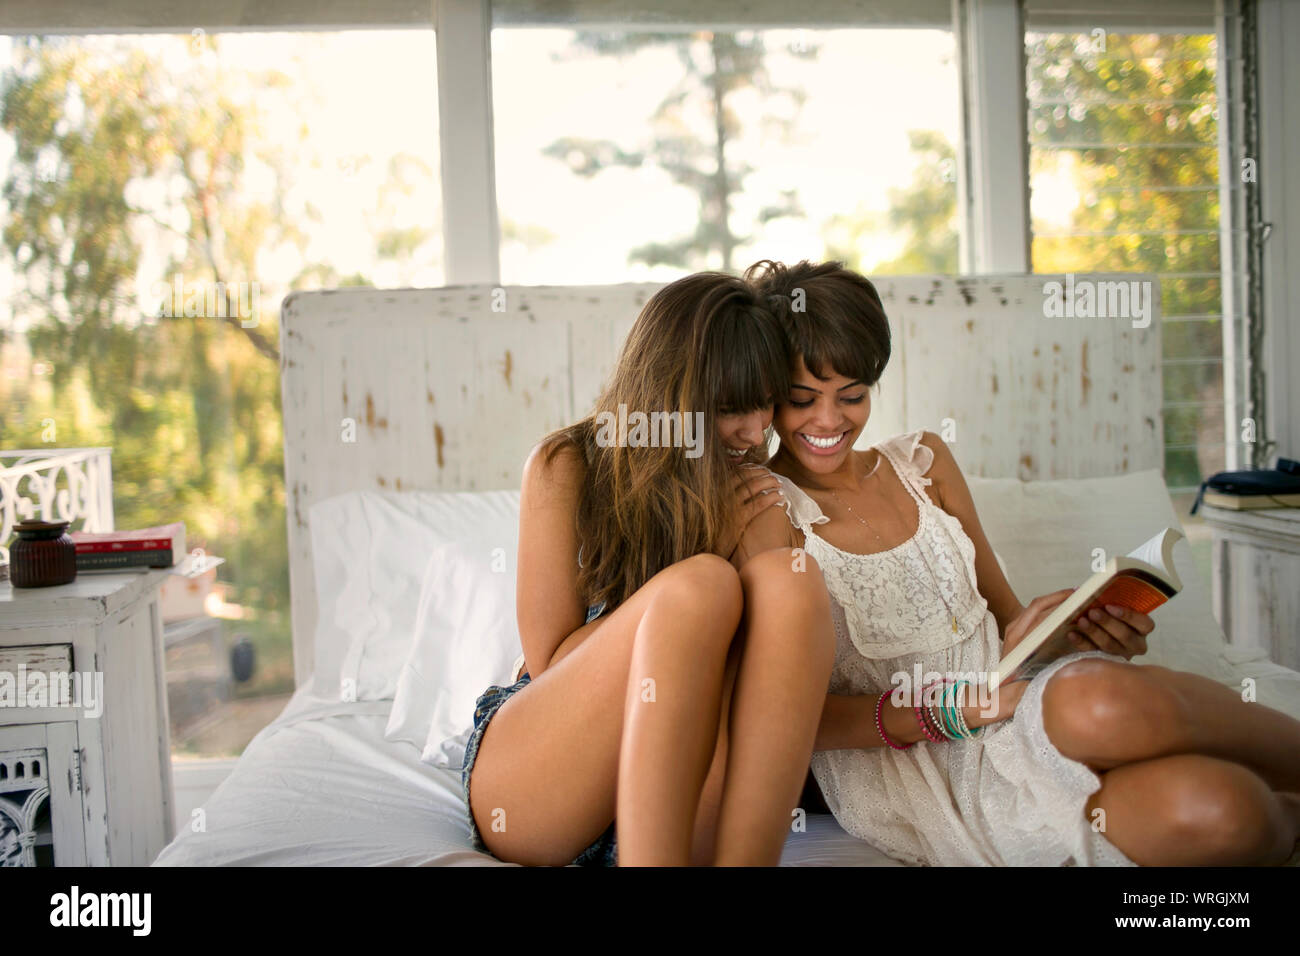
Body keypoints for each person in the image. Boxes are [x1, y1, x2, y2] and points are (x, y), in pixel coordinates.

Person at [737, 258, 1300, 866]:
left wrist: (1063, 629)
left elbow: (1007, 623)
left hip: (1026, 709)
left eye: (852, 396)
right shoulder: (763, 511)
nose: (829, 420)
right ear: (768, 395)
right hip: (917, 773)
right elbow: (788, 721)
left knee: (1096, 698)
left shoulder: (923, 462)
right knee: (1221, 813)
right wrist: (963, 707)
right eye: (802, 400)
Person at [462, 270, 835, 866]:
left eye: (765, 401)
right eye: (731, 408)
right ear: (672, 397)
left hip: (682, 786)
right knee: (703, 585)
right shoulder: (568, 466)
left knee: (790, 580)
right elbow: (551, 664)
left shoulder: (754, 488)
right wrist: (698, 559)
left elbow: (765, 681)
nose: (755, 429)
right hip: (547, 776)